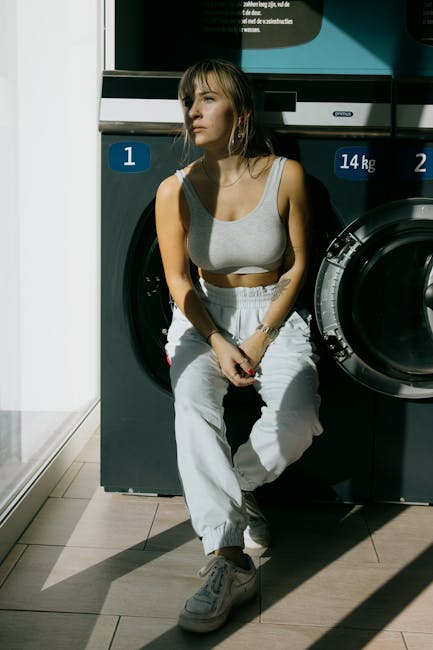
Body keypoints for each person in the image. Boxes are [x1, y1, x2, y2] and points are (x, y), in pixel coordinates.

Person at [155, 58, 323, 634]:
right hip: (204, 318)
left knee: (297, 418)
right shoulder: (173, 190)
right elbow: (179, 282)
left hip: (273, 312)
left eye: (205, 99)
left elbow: (301, 266)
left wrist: (261, 334)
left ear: (241, 112)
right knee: (191, 406)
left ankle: (240, 482)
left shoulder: (287, 176)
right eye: (187, 102)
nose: (192, 111)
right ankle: (227, 560)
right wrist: (220, 340)